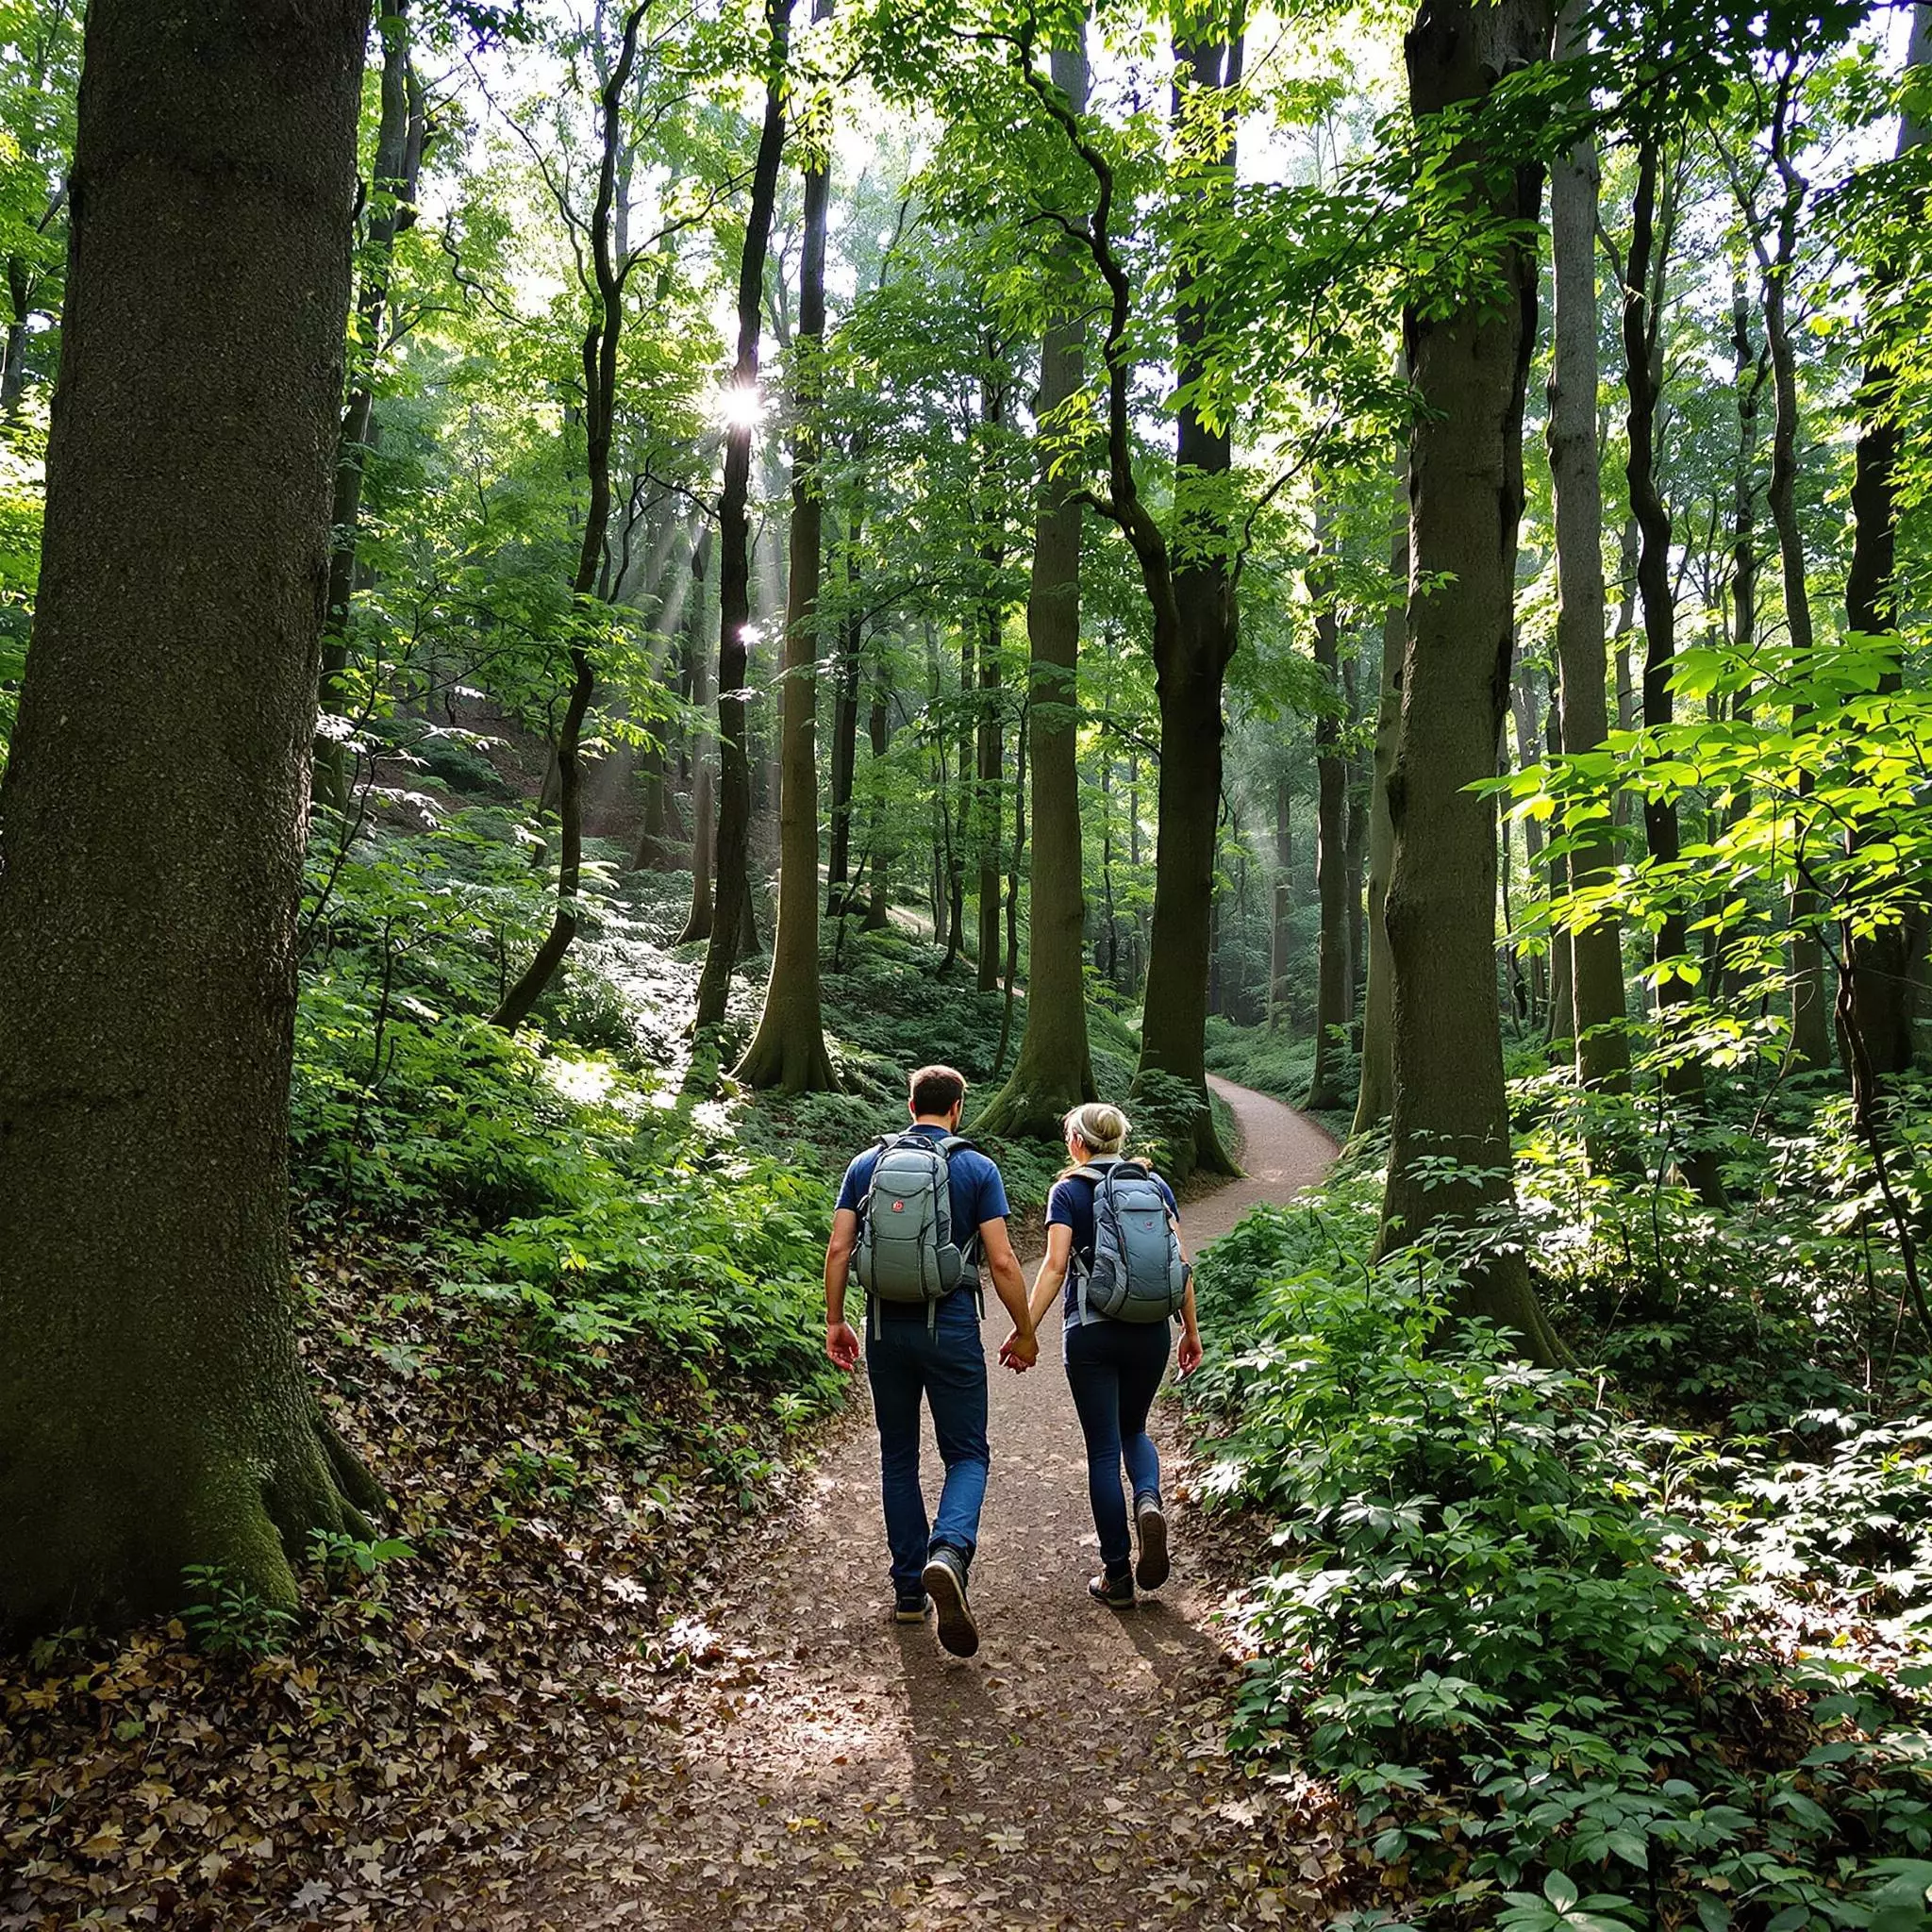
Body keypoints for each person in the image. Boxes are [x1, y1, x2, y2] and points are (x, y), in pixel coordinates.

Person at [824, 1064, 1039, 1657]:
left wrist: (836, 1320)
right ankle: (948, 1552)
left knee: (898, 1455)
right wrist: (1025, 1330)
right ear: (958, 1108)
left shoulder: (867, 1164)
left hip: (884, 1330)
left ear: (910, 1104)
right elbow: (1002, 1262)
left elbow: (839, 1248)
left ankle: (908, 1592)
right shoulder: (976, 1168)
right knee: (966, 1453)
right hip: (951, 1328)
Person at [1006, 1102, 1201, 1607]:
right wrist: (1190, 1330)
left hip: (1091, 1332)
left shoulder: (1068, 1190)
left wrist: (1026, 1330)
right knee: (1134, 1429)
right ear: (1118, 1140)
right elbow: (1179, 1262)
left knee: (1102, 1450)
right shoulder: (1154, 1186)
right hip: (1150, 1331)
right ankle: (1149, 1500)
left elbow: (1054, 1267)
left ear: (1077, 1142)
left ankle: (1117, 1576)